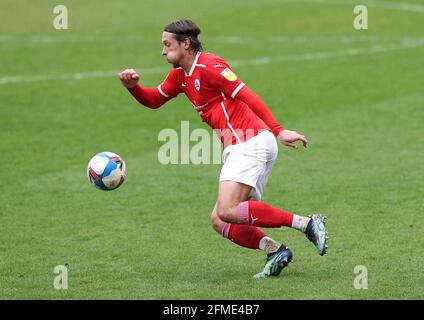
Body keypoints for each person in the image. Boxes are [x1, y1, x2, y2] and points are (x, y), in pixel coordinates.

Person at [119, 19, 328, 278]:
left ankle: (307, 224)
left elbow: (246, 94)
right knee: (220, 219)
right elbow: (153, 100)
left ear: (186, 43)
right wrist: (132, 88)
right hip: (240, 146)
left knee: (227, 209)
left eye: (167, 44)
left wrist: (278, 129)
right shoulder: (180, 76)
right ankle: (275, 251)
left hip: (249, 140)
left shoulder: (210, 66)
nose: (163, 51)